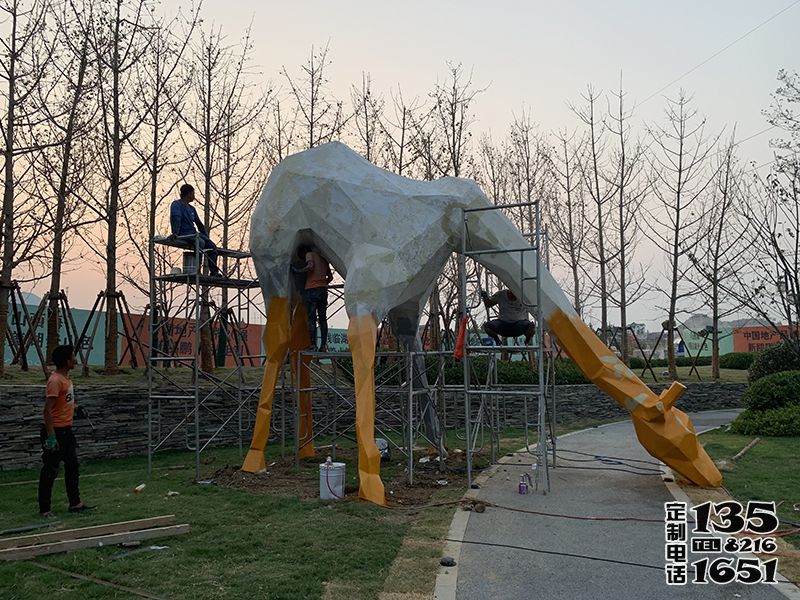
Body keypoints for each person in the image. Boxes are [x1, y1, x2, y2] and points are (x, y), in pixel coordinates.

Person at [38, 345, 95, 517]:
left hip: (67, 431)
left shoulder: (66, 380)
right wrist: (51, 437)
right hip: (56, 432)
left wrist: (76, 408)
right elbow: (47, 410)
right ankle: (45, 509)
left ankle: (75, 503)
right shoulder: (55, 381)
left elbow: (64, 403)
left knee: (72, 467)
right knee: (50, 471)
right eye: (72, 357)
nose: (75, 360)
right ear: (66, 361)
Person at [169, 183, 222, 277]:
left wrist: (206, 236)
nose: (194, 196)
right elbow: (176, 218)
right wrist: (175, 233)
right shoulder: (176, 204)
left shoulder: (191, 209)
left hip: (193, 233)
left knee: (212, 246)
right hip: (184, 234)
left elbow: (199, 223)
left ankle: (214, 271)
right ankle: (197, 270)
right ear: (188, 193)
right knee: (200, 243)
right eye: (193, 193)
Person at [294, 245, 333, 351]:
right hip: (323, 290)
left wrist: (298, 270)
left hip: (311, 290)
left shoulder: (309, 254)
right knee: (322, 319)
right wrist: (322, 283)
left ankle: (313, 344)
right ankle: (323, 345)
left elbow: (310, 266)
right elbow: (330, 277)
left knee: (311, 318)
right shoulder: (324, 259)